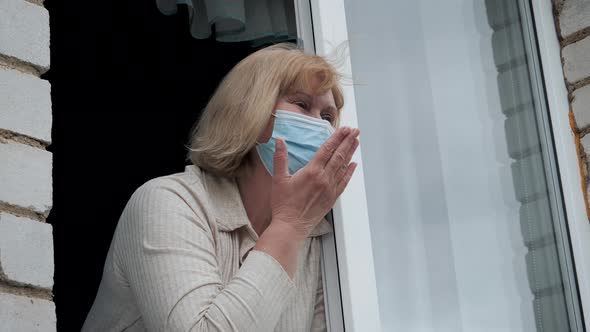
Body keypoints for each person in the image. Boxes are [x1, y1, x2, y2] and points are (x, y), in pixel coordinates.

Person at [82, 42, 360, 332]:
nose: (319, 127)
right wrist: (289, 226)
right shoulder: (168, 203)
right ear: (250, 112)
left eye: (327, 117)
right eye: (302, 105)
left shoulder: (319, 237)